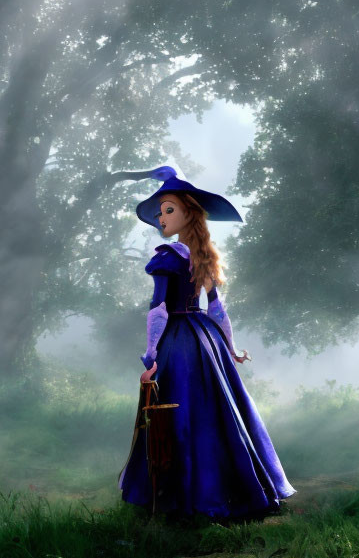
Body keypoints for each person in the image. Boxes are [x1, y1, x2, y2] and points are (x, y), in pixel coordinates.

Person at [118, 166, 295, 519]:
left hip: (180, 342)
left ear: (189, 212)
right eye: (160, 211)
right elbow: (215, 312)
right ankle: (226, 490)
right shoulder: (201, 258)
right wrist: (227, 348)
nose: (161, 217)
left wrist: (151, 356)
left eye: (169, 209)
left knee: (182, 411)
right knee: (216, 412)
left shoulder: (168, 258)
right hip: (206, 340)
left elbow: (159, 311)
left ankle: (185, 497)